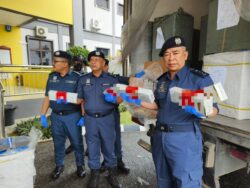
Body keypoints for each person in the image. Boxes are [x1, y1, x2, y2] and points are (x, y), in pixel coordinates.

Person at [136, 36, 219, 188]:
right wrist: (136, 100)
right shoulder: (162, 80)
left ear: (185, 55)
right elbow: (158, 105)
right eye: (167, 55)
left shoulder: (200, 79)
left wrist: (199, 109)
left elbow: (214, 109)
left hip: (184, 139)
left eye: (175, 53)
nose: (171, 58)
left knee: (186, 182)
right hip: (159, 137)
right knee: (163, 180)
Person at [77, 51, 122, 188]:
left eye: (97, 59)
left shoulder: (112, 79)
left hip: (107, 118)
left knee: (109, 147)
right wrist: (63, 98)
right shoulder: (83, 79)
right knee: (92, 147)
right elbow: (81, 100)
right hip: (90, 119)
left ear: (103, 63)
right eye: (92, 60)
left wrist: (116, 98)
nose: (94, 62)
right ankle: (94, 174)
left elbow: (119, 100)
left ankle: (111, 174)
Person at [40, 50, 86, 180]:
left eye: (56, 61)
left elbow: (82, 99)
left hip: (72, 116)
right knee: (58, 143)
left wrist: (83, 116)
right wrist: (43, 114)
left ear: (65, 64)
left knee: (77, 143)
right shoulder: (52, 77)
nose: (53, 63)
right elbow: (47, 97)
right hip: (56, 116)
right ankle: (59, 166)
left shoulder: (77, 78)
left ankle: (80, 165)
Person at [100, 58, 130, 174]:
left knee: (116, 139)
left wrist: (123, 95)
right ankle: (105, 161)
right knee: (103, 139)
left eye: (103, 65)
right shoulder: (90, 79)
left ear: (107, 67)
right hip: (100, 116)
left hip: (112, 113)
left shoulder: (115, 78)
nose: (100, 68)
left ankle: (119, 161)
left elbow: (131, 81)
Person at [65, 55, 88, 155]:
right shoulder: (68, 75)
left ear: (83, 64)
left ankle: (90, 147)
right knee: (72, 129)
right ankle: (73, 145)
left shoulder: (87, 76)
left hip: (85, 105)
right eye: (76, 62)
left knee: (89, 129)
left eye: (80, 62)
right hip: (72, 106)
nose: (78, 64)